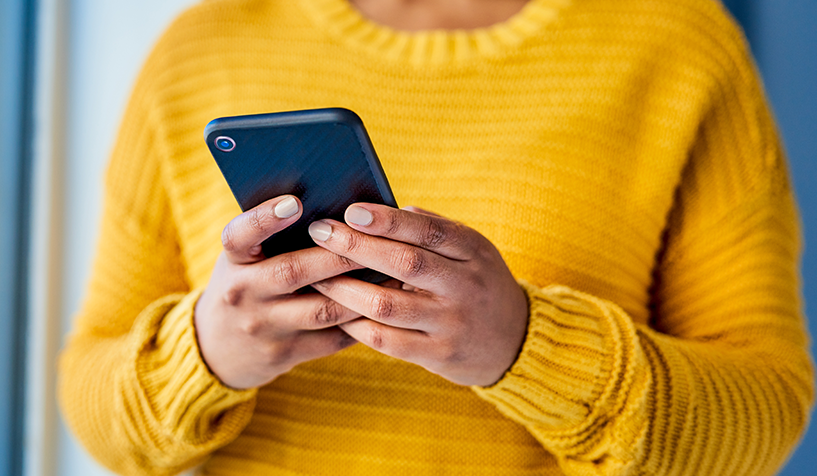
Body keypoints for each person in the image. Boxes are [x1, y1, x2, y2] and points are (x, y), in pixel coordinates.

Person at [57, 0, 815, 474]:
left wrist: (526, 346)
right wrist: (205, 352)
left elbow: (768, 414)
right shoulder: (201, 47)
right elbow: (90, 400)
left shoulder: (676, 41)